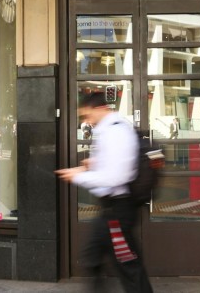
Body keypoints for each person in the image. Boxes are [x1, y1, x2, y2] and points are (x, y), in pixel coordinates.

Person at [56, 92, 153, 293]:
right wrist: (89, 166)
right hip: (111, 211)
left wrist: (78, 177)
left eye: (87, 115)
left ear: (100, 109)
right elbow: (111, 167)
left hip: (118, 212)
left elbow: (116, 177)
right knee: (93, 257)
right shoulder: (109, 130)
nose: (86, 121)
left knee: (127, 266)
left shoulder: (117, 132)